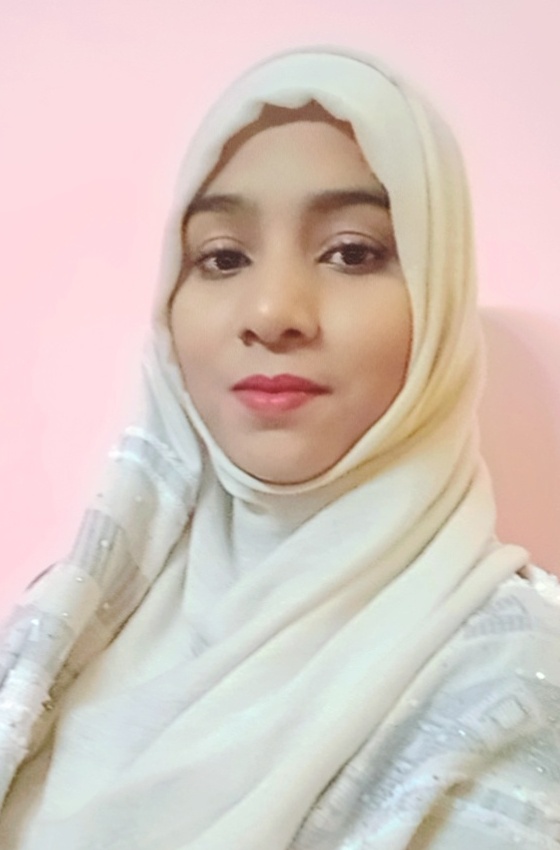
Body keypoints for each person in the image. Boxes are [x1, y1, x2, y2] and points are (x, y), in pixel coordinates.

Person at [0, 46, 559, 850]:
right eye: (222, 258)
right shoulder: (69, 624)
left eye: (353, 252)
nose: (271, 312)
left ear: (439, 298)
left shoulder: (516, 680)